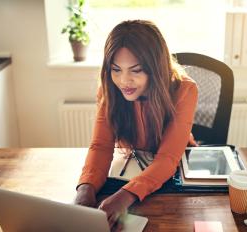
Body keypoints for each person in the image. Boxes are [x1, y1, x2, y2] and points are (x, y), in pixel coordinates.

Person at [75, 19, 198, 229]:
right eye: (116, 69)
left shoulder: (185, 89)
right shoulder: (108, 88)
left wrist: (125, 196)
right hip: (129, 166)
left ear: (156, 68)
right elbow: (101, 146)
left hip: (173, 173)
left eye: (136, 70)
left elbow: (168, 157)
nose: (124, 81)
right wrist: (85, 190)